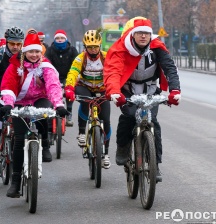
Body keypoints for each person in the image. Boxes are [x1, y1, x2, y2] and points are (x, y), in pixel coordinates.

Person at [103, 17, 181, 182]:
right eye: (139, 33)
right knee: (129, 117)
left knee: (154, 123)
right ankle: (123, 148)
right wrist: (115, 91)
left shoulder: (157, 48)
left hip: (151, 91)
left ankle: (155, 164)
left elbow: (170, 68)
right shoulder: (121, 49)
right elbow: (113, 72)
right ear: (133, 34)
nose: (143, 36)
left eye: (146, 33)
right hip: (128, 92)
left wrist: (175, 90)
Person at [0, 33, 68, 198]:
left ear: (41, 52)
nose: (34, 55)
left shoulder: (46, 66)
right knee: (19, 139)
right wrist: (8, 103)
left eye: (37, 52)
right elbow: (8, 85)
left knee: (45, 114)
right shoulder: (15, 65)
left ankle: (44, 146)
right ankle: (15, 181)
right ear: (25, 52)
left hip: (39, 99)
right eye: (31, 52)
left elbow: (53, 85)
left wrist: (58, 105)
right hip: (20, 103)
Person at [64, 29, 111, 169]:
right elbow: (73, 73)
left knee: (106, 120)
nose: (93, 50)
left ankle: (106, 154)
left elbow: (115, 72)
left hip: (102, 89)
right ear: (85, 47)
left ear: (100, 46)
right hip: (85, 87)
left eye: (95, 46)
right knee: (85, 101)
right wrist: (69, 88)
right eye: (90, 47)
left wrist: (116, 89)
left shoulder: (106, 57)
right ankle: (81, 133)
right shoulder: (80, 58)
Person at [0, 26, 25, 177]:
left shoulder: (25, 57)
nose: (15, 47)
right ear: (6, 42)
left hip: (18, 98)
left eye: (18, 44)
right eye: (12, 43)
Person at [45, 29, 78, 126]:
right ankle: (51, 113)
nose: (60, 40)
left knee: (69, 92)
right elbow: (46, 63)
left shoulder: (72, 50)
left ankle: (69, 112)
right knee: (51, 92)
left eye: (62, 38)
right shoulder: (50, 50)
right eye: (58, 38)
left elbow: (76, 64)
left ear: (66, 39)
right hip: (53, 76)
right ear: (55, 40)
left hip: (68, 76)